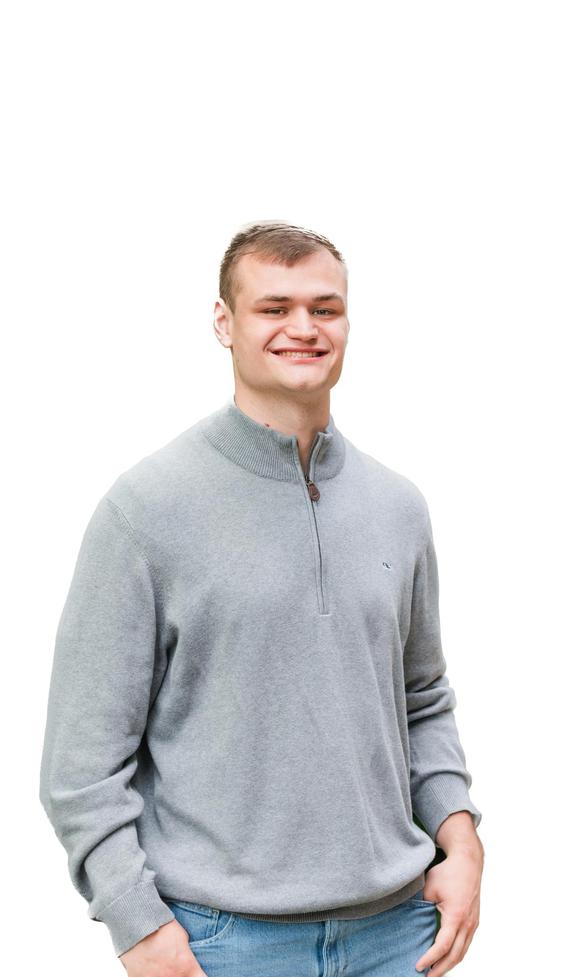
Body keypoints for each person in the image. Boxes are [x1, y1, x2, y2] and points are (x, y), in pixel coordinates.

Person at [39, 220, 484, 977]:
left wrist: (461, 837)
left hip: (400, 934)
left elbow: (421, 699)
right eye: (274, 307)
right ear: (225, 322)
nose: (303, 328)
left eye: (324, 308)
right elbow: (81, 765)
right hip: (223, 943)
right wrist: (138, 924)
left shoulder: (398, 506)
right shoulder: (145, 510)